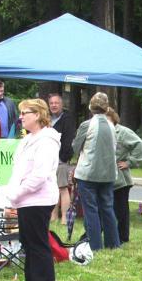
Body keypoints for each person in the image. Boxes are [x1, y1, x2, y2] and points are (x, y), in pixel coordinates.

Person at [6, 99, 60, 281]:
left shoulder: (47, 141)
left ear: (37, 115)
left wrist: (18, 193)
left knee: (38, 245)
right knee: (29, 244)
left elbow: (39, 175)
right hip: (25, 200)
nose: (21, 117)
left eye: (25, 113)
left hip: (37, 199)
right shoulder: (29, 139)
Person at [72, 92, 120, 250]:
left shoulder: (87, 125)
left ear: (91, 107)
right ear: (107, 109)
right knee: (107, 208)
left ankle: (95, 245)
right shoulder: (112, 126)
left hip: (88, 174)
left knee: (91, 210)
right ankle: (113, 243)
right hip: (108, 174)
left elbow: (75, 147)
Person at [106, 107, 142, 243]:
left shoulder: (122, 132)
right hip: (106, 176)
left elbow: (140, 145)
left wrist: (130, 162)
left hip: (121, 180)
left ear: (112, 118)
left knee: (121, 210)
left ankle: (123, 237)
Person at [48, 93, 76, 225]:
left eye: (56, 103)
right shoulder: (47, 119)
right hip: (48, 160)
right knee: (51, 188)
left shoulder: (67, 119)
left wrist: (63, 158)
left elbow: (68, 139)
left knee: (63, 188)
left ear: (61, 105)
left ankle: (64, 217)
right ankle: (53, 216)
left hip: (61, 159)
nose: (53, 105)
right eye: (51, 103)